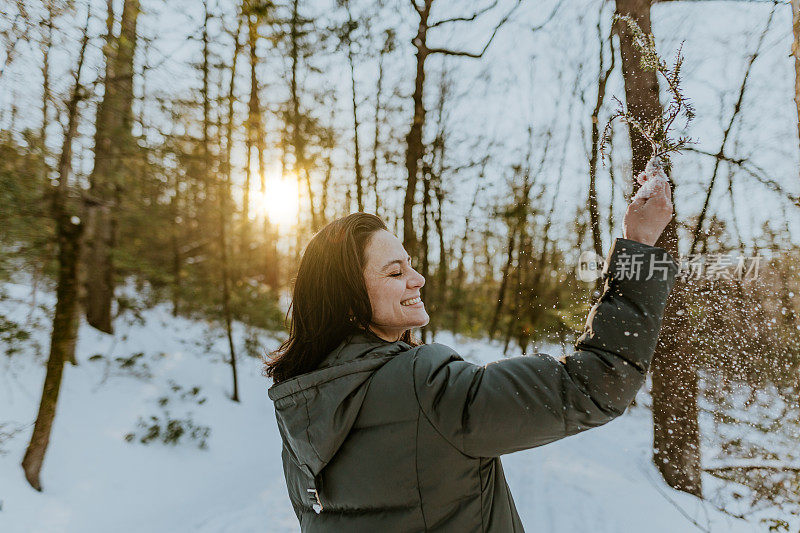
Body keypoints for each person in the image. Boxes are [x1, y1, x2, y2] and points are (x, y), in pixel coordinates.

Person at [266, 181, 677, 532]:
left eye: (409, 264)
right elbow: (593, 384)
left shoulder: (302, 405)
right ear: (348, 302)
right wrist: (639, 247)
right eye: (395, 273)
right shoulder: (423, 385)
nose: (418, 278)